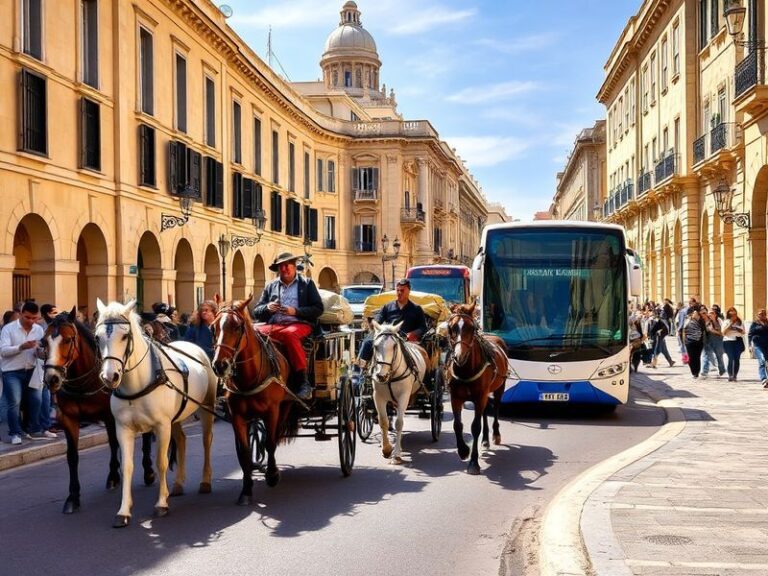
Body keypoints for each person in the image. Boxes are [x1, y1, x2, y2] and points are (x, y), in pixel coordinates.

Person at [253, 252, 324, 400]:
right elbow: (256, 311)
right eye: (281, 266)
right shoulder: (270, 286)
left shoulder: (307, 284)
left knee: (289, 334)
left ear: (294, 266)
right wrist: (267, 308)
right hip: (275, 324)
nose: (284, 269)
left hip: (299, 323)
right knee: (253, 332)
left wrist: (296, 311)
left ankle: (303, 382)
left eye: (287, 265)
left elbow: (318, 309)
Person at [0, 301, 51, 444]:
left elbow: (40, 352)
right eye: (27, 317)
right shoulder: (8, 329)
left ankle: (33, 429)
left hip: (33, 370)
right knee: (14, 403)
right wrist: (21, 347)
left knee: (36, 400)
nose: (31, 321)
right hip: (12, 371)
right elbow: (3, 351)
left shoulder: (39, 330)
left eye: (34, 318)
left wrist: (42, 352)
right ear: (21, 314)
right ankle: (15, 433)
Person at [356, 278, 427, 371]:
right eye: (397, 290)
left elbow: (423, 327)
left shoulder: (416, 309)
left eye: (402, 290)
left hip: (406, 339)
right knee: (367, 342)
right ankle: (362, 373)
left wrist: (413, 333)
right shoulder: (387, 307)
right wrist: (375, 324)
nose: (399, 293)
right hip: (388, 337)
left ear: (408, 291)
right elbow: (379, 319)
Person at [722, 306, 747, 382]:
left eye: (734, 313)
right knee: (731, 358)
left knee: (736, 359)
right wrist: (730, 324)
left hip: (738, 340)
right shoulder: (726, 321)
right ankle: (730, 375)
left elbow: (743, 332)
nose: (733, 315)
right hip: (728, 341)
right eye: (731, 313)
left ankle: (735, 375)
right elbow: (723, 333)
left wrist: (737, 329)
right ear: (729, 314)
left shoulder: (740, 322)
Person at [701, 308, 726, 379]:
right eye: (709, 313)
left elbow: (723, 332)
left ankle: (722, 370)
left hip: (718, 340)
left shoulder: (719, 321)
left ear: (715, 314)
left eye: (712, 313)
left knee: (719, 356)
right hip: (708, 340)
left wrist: (714, 331)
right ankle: (704, 372)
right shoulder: (706, 321)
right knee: (706, 355)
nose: (710, 314)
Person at [682, 305, 706, 379]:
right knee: (691, 357)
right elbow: (684, 330)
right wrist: (684, 341)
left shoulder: (701, 320)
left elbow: (704, 329)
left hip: (699, 341)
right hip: (689, 341)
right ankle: (693, 371)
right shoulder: (688, 320)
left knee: (697, 357)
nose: (694, 314)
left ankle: (696, 373)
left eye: (696, 313)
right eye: (693, 313)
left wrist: (698, 319)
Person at [748, 308, 768, 388]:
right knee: (762, 360)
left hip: (767, 345)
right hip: (758, 345)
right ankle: (763, 378)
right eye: (760, 314)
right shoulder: (755, 323)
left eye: (763, 314)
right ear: (757, 315)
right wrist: (749, 345)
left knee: (767, 362)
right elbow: (750, 334)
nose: (761, 315)